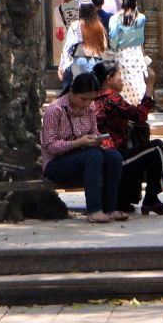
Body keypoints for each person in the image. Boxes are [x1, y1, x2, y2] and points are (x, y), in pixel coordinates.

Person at [40, 72, 127, 223]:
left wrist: (96, 140)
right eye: (83, 99)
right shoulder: (55, 110)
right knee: (94, 156)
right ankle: (94, 210)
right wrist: (77, 143)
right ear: (72, 92)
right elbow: (51, 146)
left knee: (113, 156)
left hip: (83, 158)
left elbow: (94, 131)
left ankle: (110, 208)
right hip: (56, 164)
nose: (87, 103)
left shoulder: (90, 108)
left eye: (91, 99)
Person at [92, 59, 163, 215]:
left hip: (105, 155)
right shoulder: (110, 98)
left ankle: (130, 198)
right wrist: (150, 85)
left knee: (138, 140)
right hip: (112, 158)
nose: (122, 79)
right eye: (119, 75)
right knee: (156, 147)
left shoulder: (97, 97)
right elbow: (139, 115)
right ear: (109, 79)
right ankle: (151, 199)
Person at [108, 0, 149, 105]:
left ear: (123, 1)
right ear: (136, 2)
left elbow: (113, 37)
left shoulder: (115, 18)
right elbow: (141, 37)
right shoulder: (141, 18)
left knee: (124, 83)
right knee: (138, 82)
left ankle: (126, 106)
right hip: (137, 54)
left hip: (122, 54)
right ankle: (138, 105)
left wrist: (114, 49)